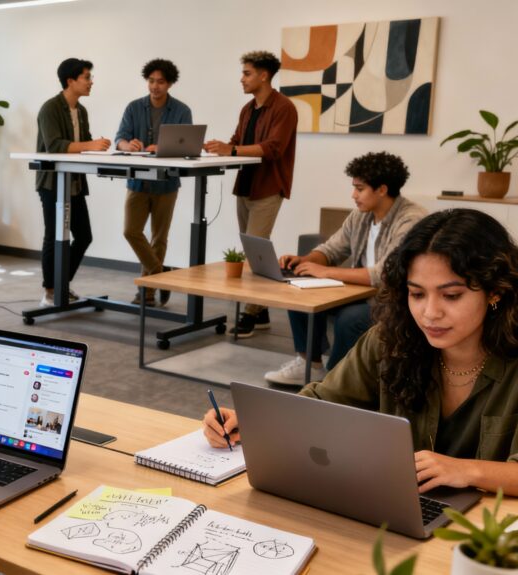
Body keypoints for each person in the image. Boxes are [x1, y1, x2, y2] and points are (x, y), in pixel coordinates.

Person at [205, 209, 518, 495]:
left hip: (488, 528)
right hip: (396, 509)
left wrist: (467, 470)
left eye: (451, 296)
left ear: (495, 292)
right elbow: (320, 403)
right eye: (417, 294)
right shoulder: (390, 341)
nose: (430, 313)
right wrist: (251, 421)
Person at [264, 152, 427, 384]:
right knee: (299, 293)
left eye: (359, 189)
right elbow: (332, 249)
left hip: (394, 300)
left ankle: (336, 380)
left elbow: (384, 274)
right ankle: (309, 364)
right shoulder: (361, 215)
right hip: (361, 293)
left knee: (351, 319)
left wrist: (325, 272)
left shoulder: (411, 220)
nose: (353, 195)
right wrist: (305, 261)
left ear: (382, 189)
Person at [204, 50, 298, 337]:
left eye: (247, 73)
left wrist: (231, 149)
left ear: (264, 75)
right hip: (245, 185)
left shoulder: (284, 107)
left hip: (268, 186)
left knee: (256, 249)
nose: (241, 79)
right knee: (253, 251)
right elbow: (237, 141)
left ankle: (250, 312)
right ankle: (261, 311)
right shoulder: (248, 109)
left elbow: (273, 148)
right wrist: (218, 147)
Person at [115, 58, 192, 307]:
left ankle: (147, 293)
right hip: (137, 181)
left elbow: (188, 146)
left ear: (169, 84)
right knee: (130, 231)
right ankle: (161, 274)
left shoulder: (181, 111)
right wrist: (127, 145)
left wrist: (163, 148)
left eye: (160, 82)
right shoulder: (133, 107)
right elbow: (119, 139)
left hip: (166, 183)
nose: (155, 86)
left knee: (159, 238)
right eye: (151, 81)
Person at [35, 57, 111, 307]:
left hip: (75, 183)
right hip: (52, 183)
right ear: (70, 81)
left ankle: (61, 285)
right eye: (86, 77)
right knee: (53, 236)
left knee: (84, 236)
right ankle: (50, 291)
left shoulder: (82, 111)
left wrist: (98, 146)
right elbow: (54, 145)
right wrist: (90, 145)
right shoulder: (50, 108)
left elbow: (84, 144)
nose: (91, 82)